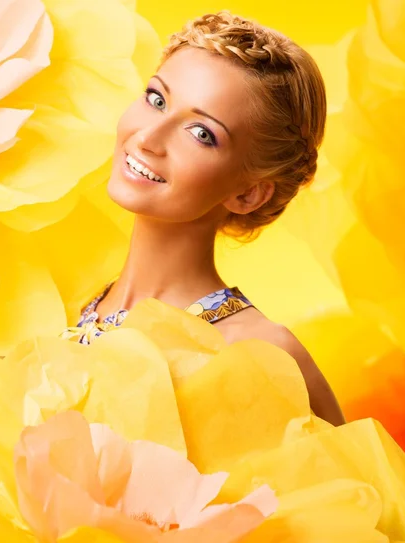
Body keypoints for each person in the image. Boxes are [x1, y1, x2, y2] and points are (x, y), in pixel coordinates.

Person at [64, 11, 345, 426]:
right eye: (157, 99)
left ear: (248, 193)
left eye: (201, 134)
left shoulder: (258, 352)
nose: (147, 138)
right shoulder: (72, 300)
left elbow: (348, 487)